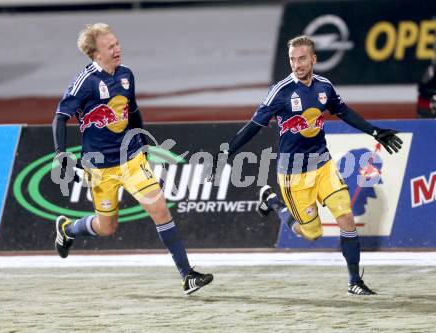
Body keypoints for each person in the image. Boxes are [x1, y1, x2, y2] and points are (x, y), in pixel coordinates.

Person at [208, 35, 402, 295]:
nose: (296, 64)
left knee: (346, 217)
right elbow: (253, 126)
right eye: (292, 59)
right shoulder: (280, 92)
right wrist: (226, 151)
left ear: (313, 59)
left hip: (323, 165)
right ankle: (274, 201)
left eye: (301, 58)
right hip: (293, 174)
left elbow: (343, 111)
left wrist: (375, 132)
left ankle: (354, 281)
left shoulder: (324, 87)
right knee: (311, 233)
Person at [52, 23, 213, 295]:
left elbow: (133, 110)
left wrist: (144, 142)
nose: (118, 49)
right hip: (101, 168)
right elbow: (60, 117)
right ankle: (68, 229)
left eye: (117, 43)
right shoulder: (85, 82)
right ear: (96, 54)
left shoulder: (126, 75)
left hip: (132, 157)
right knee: (107, 227)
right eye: (110, 46)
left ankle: (187, 276)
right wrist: (61, 154)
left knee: (160, 209)